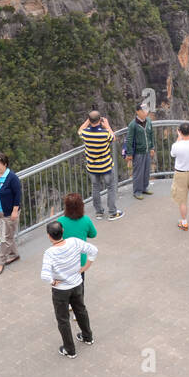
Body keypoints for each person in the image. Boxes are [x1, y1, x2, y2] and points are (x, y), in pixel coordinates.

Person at [41, 220, 94, 358]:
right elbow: (93, 250)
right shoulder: (74, 242)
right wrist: (86, 267)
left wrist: (53, 282)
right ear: (63, 231)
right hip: (77, 284)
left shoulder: (49, 253)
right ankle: (87, 336)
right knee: (81, 310)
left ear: (49, 236)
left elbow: (44, 275)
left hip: (61, 290)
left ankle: (70, 349)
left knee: (63, 319)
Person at [78, 111, 123, 221]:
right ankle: (112, 212)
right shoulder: (104, 134)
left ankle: (99, 212)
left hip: (92, 168)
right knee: (111, 188)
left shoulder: (85, 133)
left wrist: (88, 121)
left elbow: (79, 130)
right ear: (100, 120)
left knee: (95, 188)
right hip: (106, 167)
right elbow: (113, 137)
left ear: (89, 120)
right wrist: (107, 125)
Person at [123, 104, 157, 199]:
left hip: (147, 151)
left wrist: (152, 148)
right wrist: (129, 153)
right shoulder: (133, 125)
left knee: (146, 171)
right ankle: (137, 191)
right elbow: (129, 139)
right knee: (138, 172)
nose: (145, 113)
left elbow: (151, 135)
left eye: (146, 111)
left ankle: (144, 188)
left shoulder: (149, 121)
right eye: (143, 111)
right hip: (138, 152)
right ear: (137, 112)